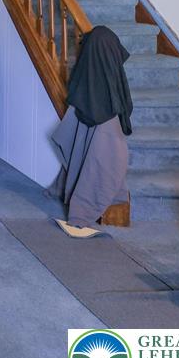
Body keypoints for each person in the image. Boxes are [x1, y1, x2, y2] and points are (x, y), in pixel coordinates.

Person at [49, 26, 134, 234]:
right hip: (103, 116)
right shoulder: (110, 89)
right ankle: (82, 208)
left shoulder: (85, 86)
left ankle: (83, 207)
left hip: (97, 116)